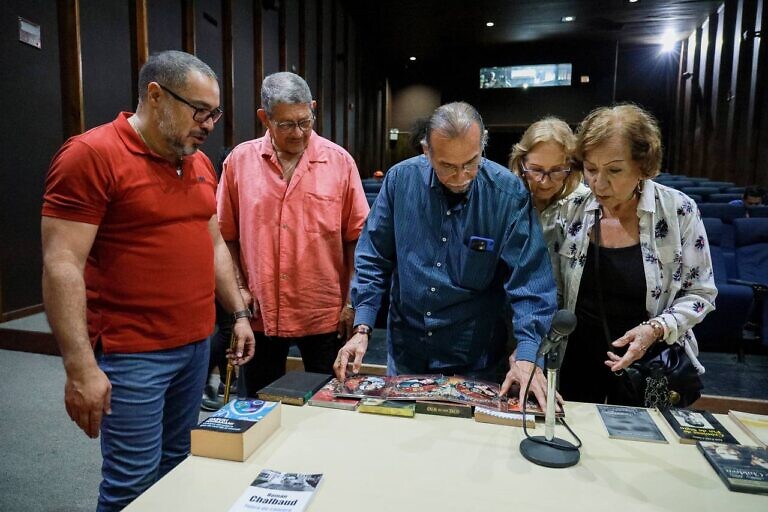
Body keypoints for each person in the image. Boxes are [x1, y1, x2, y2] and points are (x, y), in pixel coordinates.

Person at [41, 50, 255, 511]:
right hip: (132, 353)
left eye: (214, 113)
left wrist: (237, 312)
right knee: (131, 485)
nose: (209, 123)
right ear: (155, 96)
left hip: (196, 344)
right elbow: (62, 264)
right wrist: (80, 368)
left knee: (177, 467)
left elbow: (214, 242)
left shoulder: (197, 161)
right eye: (199, 110)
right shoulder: (91, 155)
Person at [335, 101, 558, 408]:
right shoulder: (400, 181)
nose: (460, 176)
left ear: (483, 145)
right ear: (427, 151)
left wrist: (527, 351)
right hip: (407, 351)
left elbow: (530, 280)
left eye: (471, 162)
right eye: (447, 166)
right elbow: (373, 256)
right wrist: (362, 328)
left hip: (475, 356)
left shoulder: (507, 194)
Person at [552, 103, 716, 405]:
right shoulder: (571, 210)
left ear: (643, 166)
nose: (598, 183)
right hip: (576, 363)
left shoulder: (679, 211)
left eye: (614, 170)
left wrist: (655, 329)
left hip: (647, 367)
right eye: (591, 169)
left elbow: (701, 294)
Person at [217, 72, 369, 397]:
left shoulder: (340, 162)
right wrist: (240, 289)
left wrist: (351, 300)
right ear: (264, 118)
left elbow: (358, 240)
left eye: (305, 121)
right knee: (258, 408)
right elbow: (224, 236)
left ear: (313, 109)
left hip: (326, 311)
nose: (298, 133)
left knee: (330, 405)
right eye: (286, 125)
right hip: (261, 311)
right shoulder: (239, 163)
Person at [509, 116, 589, 248]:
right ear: (521, 163)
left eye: (557, 170)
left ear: (572, 166)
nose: (545, 182)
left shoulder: (585, 204)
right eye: (536, 170)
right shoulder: (506, 201)